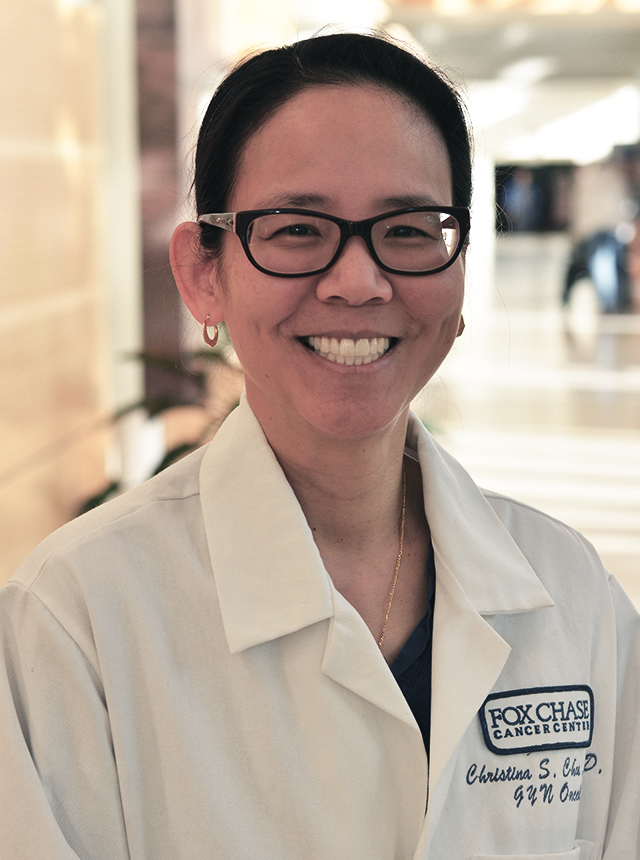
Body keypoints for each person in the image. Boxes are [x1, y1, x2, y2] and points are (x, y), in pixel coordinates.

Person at [0, 32, 638, 860]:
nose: (358, 280)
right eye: (298, 229)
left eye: (408, 229)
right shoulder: (76, 623)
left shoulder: (573, 599)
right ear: (203, 272)